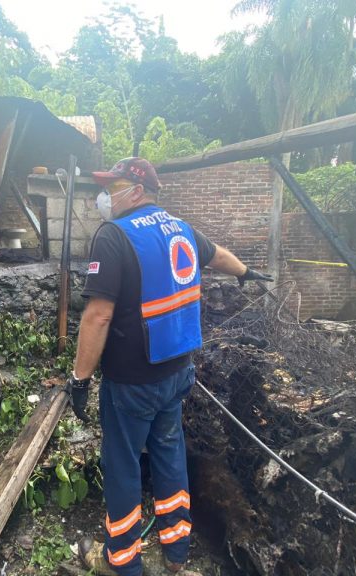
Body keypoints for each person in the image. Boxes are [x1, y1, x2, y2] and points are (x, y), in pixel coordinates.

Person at [68, 157, 273, 576]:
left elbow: (97, 317)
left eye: (113, 186)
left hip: (131, 382)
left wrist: (79, 379)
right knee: (168, 453)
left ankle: (123, 562)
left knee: (123, 464)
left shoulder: (113, 235)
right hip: (178, 374)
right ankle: (176, 554)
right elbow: (218, 257)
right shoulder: (180, 227)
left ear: (137, 191)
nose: (104, 196)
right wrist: (247, 272)